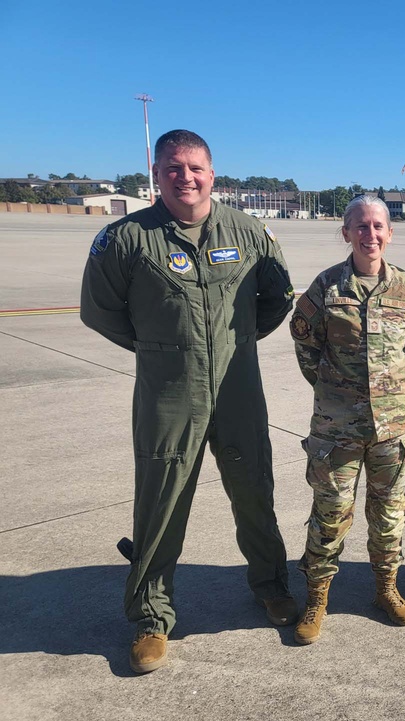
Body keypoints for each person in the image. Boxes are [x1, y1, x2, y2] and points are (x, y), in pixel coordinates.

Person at [80, 129, 297, 674]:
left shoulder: (247, 232)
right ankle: (151, 615)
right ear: (156, 174)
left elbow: (277, 299)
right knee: (161, 500)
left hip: (238, 387)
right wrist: (159, 348)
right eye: (173, 168)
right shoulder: (126, 238)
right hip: (169, 390)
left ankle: (270, 586)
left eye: (195, 167)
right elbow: (99, 310)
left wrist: (233, 343)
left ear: (212, 173)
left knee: (254, 491)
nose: (185, 177)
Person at [288, 196, 405, 643]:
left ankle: (386, 588)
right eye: (360, 226)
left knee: (390, 516)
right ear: (346, 233)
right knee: (330, 515)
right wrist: (334, 392)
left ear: (390, 231)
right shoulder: (326, 288)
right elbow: (306, 347)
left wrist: (391, 391)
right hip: (337, 428)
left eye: (378, 226)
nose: (370, 234)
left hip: (393, 427)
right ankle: (317, 598)